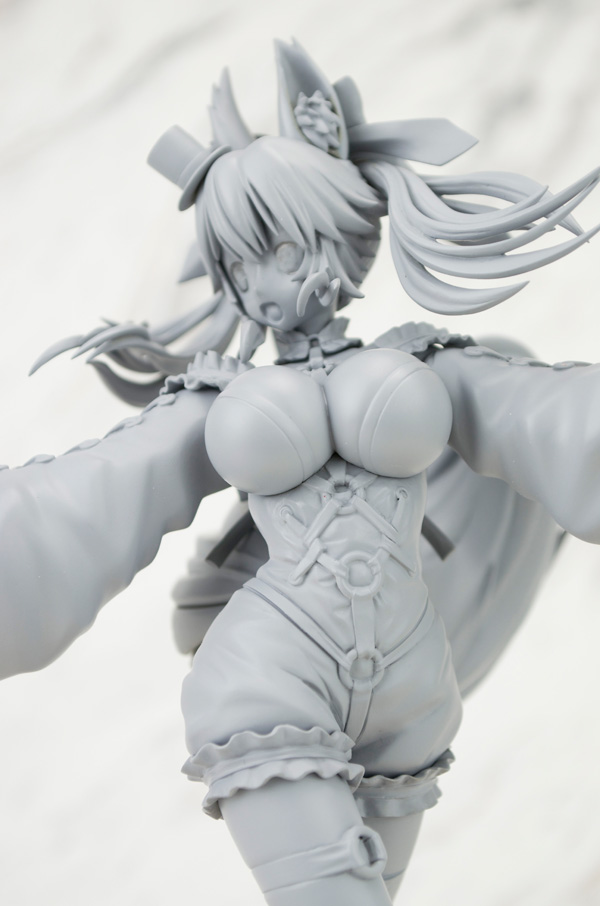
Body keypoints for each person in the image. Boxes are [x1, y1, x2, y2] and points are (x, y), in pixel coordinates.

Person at [2, 39, 600, 903]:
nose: (263, 286)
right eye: (238, 264)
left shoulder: (428, 359)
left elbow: (546, 420)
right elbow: (97, 492)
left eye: (279, 252)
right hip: (271, 678)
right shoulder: (218, 396)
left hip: (411, 685)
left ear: (343, 231)